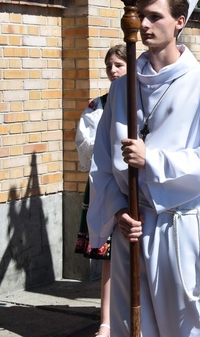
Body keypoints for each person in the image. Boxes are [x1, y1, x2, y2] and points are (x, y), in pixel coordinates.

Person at [86, 0, 200, 336]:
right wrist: (119, 210)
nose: (145, 25)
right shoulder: (123, 89)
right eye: (142, 16)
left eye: (156, 16)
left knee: (187, 328)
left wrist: (153, 160)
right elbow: (103, 162)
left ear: (179, 22)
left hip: (178, 227)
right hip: (133, 227)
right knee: (131, 327)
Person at [74, 44, 127, 337]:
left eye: (119, 64)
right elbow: (86, 142)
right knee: (108, 258)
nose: (113, 70)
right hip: (106, 184)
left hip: (138, 187)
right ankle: (106, 321)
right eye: (109, 66)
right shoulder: (99, 105)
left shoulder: (143, 100)